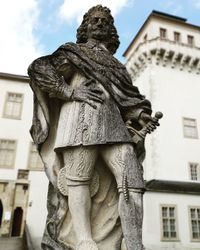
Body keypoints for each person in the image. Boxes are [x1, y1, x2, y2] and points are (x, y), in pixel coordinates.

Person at [28, 5, 158, 250]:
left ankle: (133, 243)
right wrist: (68, 91)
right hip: (79, 122)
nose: (99, 22)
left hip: (114, 127)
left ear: (110, 30)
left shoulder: (117, 66)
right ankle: (84, 240)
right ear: (85, 26)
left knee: (132, 178)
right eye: (94, 19)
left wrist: (140, 115)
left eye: (104, 20)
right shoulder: (73, 53)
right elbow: (38, 69)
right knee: (79, 179)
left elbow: (126, 99)